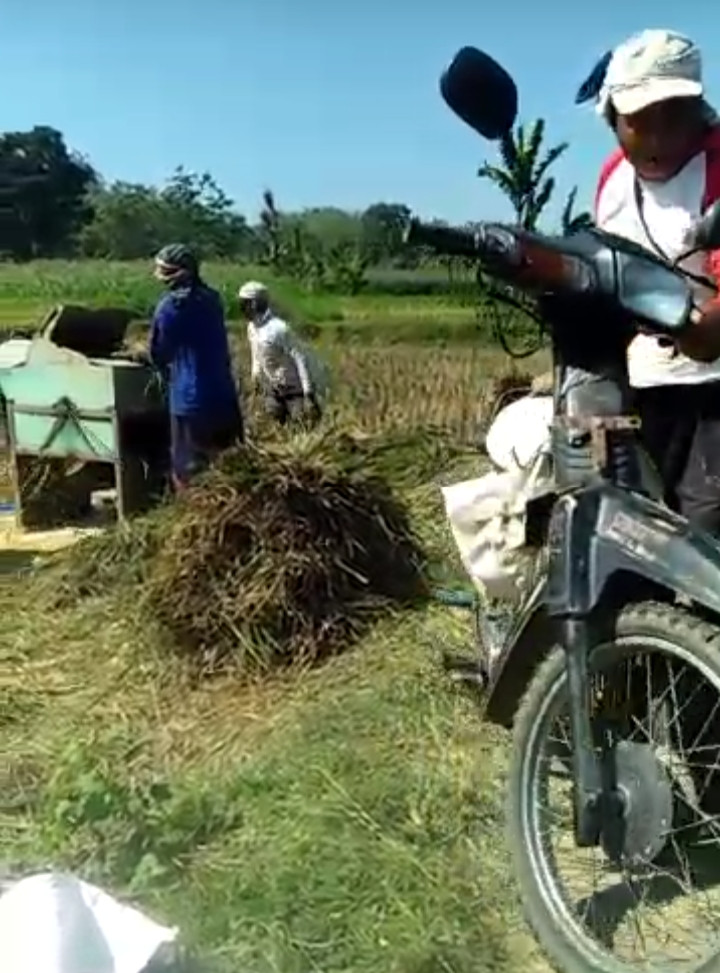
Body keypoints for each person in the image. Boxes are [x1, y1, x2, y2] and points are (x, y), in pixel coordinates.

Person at [580, 28, 720, 534]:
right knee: (633, 524)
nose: (660, 138)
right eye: (641, 121)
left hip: (712, 387)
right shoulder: (613, 181)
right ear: (613, 117)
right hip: (646, 383)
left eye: (675, 117)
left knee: (706, 534)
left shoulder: (716, 169)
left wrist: (701, 330)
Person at [148, 244, 243, 489]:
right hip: (224, 396)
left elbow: (158, 353)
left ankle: (193, 518)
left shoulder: (169, 308)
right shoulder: (213, 299)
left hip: (191, 402)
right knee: (230, 467)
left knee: (189, 472)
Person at [238, 280, 326, 426]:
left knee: (302, 425)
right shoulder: (252, 328)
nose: (242, 309)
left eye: (244, 304)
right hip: (274, 388)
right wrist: (256, 377)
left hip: (295, 390)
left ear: (253, 304)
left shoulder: (279, 328)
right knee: (274, 422)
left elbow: (300, 358)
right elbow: (256, 354)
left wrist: (308, 393)